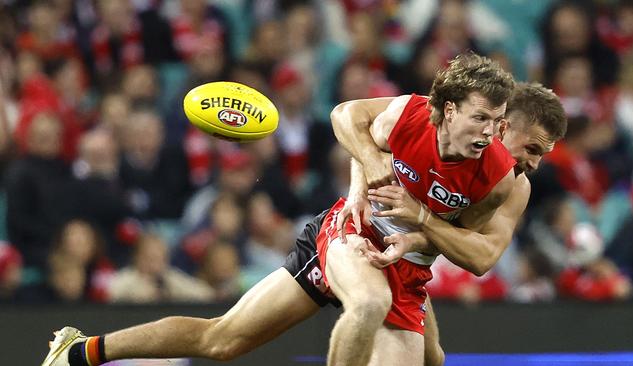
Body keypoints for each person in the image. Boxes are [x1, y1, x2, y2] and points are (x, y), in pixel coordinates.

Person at [42, 64, 564, 366]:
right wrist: (367, 172)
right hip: (350, 235)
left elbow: (483, 257)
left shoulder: (504, 183)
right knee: (366, 305)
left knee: (222, 339)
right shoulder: (417, 115)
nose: (533, 165)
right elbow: (350, 118)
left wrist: (422, 227)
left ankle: (79, 352)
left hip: (406, 266)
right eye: (532, 147)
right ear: (500, 124)